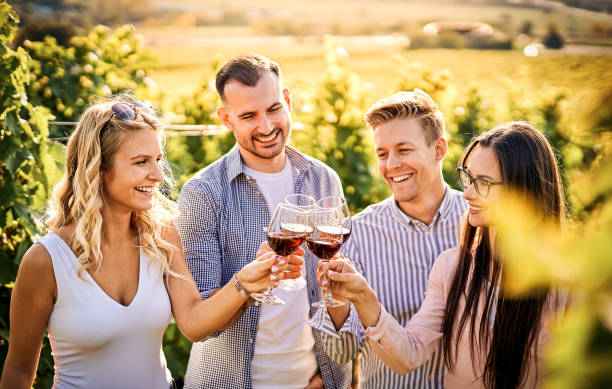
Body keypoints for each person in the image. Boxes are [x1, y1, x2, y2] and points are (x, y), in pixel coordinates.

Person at [0, 96, 302, 389]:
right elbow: (17, 372)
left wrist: (246, 283)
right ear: (98, 169)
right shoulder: (46, 260)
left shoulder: (161, 236)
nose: (157, 175)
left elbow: (195, 324)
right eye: (141, 161)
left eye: (158, 159)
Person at [322, 122, 566, 389]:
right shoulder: (453, 268)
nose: (468, 193)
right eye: (468, 178)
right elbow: (408, 355)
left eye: (483, 183)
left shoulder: (569, 281)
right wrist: (362, 296)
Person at [176, 53, 352, 389]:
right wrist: (247, 285)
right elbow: (201, 324)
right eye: (249, 116)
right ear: (226, 119)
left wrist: (325, 377)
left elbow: (336, 292)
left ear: (287, 100)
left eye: (273, 109)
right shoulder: (203, 194)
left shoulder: (324, 180)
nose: (267, 126)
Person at [308, 89, 467, 388]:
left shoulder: (479, 222)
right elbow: (342, 352)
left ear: (439, 149)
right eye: (382, 154)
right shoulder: (358, 234)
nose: (391, 165)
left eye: (403, 150)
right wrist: (338, 299)